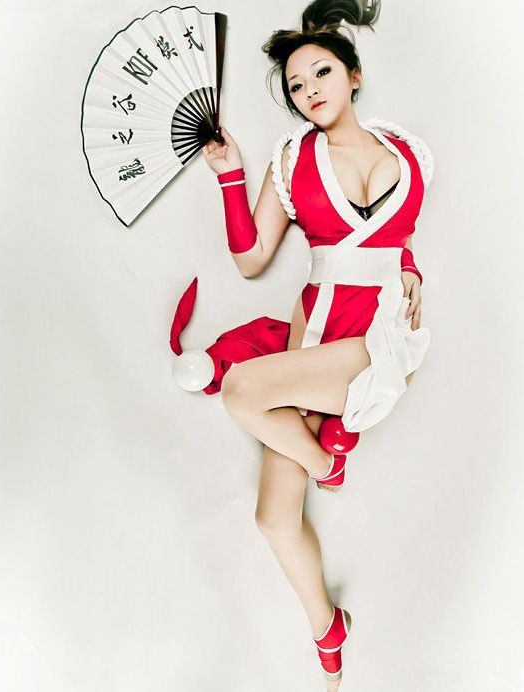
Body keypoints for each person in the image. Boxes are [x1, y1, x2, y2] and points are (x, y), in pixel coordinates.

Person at [200, 0, 433, 688]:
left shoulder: (408, 154)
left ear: (353, 75)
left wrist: (411, 269)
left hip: (376, 338)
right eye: (296, 85)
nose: (309, 91)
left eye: (322, 73)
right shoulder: (292, 160)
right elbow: (251, 258)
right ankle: (328, 631)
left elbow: (395, 238)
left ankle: (326, 460)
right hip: (316, 334)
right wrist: (230, 173)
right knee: (273, 519)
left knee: (241, 387)